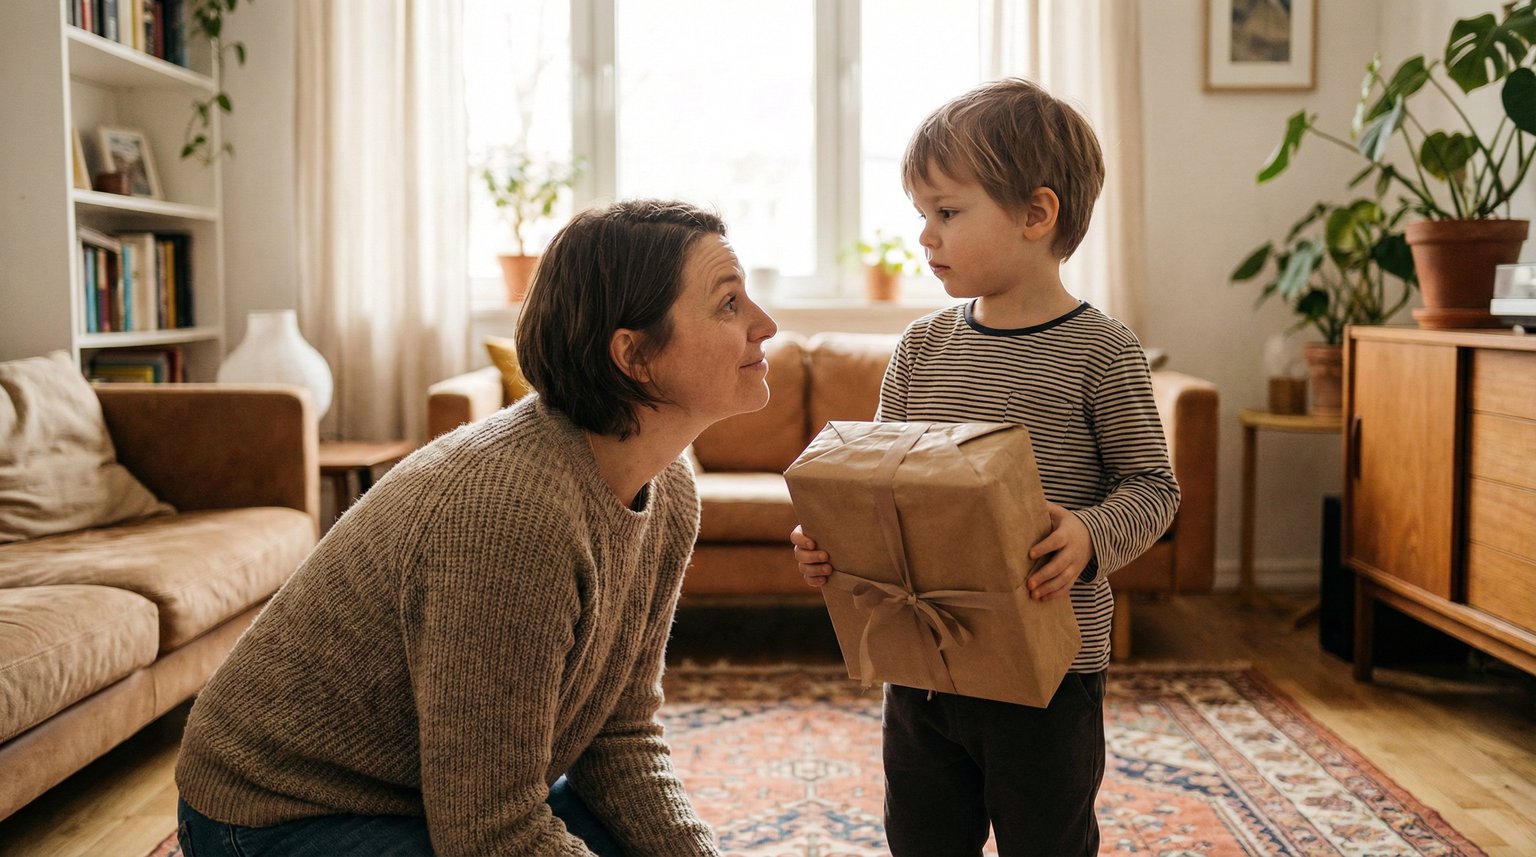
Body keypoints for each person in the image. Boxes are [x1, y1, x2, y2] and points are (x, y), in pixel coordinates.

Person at [176, 199, 777, 857]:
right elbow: (491, 831)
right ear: (634, 355)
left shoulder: (671, 487)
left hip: (436, 796)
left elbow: (619, 730)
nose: (765, 325)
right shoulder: (512, 515)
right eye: (729, 304)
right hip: (280, 812)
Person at [790, 78, 1179, 856]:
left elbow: (1153, 489)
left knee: (1047, 840)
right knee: (923, 838)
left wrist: (1089, 534)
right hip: (923, 662)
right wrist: (831, 537)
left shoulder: (1103, 352)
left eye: (947, 212)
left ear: (1037, 214)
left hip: (1048, 672)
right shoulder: (920, 348)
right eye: (921, 215)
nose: (925, 237)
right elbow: (880, 484)